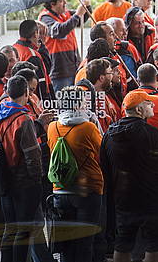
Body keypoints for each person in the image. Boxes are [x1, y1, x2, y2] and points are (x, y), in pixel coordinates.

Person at [100, 89, 158, 262]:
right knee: (154, 245)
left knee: (123, 243)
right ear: (139, 110)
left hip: (123, 199)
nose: (153, 105)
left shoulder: (109, 134)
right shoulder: (152, 133)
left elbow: (105, 168)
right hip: (151, 198)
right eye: (149, 103)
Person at [46, 85, 104, 262]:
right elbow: (101, 151)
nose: (87, 105)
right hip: (87, 190)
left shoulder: (52, 127)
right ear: (78, 104)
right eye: (85, 101)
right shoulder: (88, 128)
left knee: (66, 244)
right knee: (85, 242)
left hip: (60, 190)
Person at [0, 75, 42, 262]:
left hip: (3, 180)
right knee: (23, 231)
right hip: (23, 182)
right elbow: (32, 156)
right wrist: (38, 180)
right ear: (26, 93)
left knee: (9, 228)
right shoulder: (23, 119)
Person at [38, 0, 89, 92]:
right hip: (59, 70)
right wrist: (78, 14)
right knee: (62, 102)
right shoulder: (45, 18)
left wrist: (87, 6)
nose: (65, 3)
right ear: (52, 4)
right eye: (61, 1)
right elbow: (60, 31)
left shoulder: (65, 14)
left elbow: (83, 18)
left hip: (73, 66)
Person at [13, 19, 54, 101]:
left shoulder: (14, 48)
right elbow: (41, 83)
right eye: (38, 33)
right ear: (35, 34)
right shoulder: (33, 55)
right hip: (34, 100)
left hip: (19, 97)